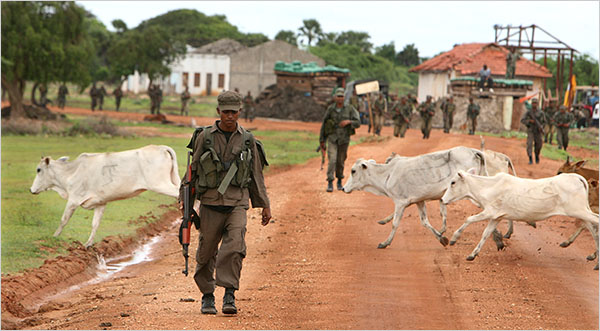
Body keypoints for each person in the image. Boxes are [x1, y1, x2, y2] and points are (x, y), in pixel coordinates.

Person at [180, 90, 271, 315]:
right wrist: (185, 201)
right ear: (218, 111)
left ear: (240, 112)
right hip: (210, 203)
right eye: (226, 112)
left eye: (234, 112)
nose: (230, 116)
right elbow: (193, 171)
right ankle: (207, 296)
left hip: (237, 202)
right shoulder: (205, 136)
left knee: (234, 247)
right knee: (205, 252)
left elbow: (256, 174)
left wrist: (264, 205)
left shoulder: (248, 139)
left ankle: (229, 293)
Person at [319, 87, 361, 192]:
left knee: (340, 161)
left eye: (341, 96)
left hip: (344, 139)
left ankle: (339, 180)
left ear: (344, 97)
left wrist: (349, 122)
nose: (340, 98)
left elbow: (358, 123)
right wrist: (322, 140)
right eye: (338, 96)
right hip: (332, 138)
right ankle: (330, 182)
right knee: (332, 160)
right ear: (335, 97)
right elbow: (324, 124)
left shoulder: (350, 109)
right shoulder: (330, 109)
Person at [520, 98, 546, 164]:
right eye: (533, 103)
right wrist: (529, 121)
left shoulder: (541, 113)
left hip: (538, 131)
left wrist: (541, 127)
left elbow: (544, 122)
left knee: (539, 145)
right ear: (531, 104)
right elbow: (522, 120)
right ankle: (530, 158)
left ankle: (537, 155)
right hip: (531, 130)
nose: (534, 104)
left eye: (535, 103)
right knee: (529, 144)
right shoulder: (529, 112)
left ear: (537, 104)